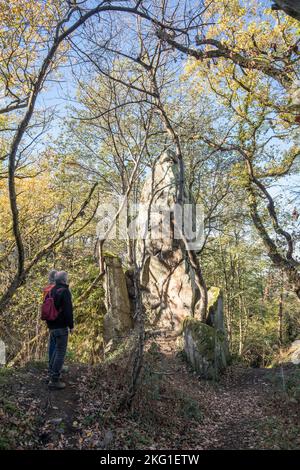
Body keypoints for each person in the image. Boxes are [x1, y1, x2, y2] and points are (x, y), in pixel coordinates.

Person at [47, 271, 74, 390]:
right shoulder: (64, 291)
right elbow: (68, 311)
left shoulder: (51, 290)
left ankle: (52, 374)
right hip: (61, 326)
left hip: (52, 325)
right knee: (60, 352)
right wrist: (71, 326)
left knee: (56, 351)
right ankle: (54, 380)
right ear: (64, 280)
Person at [43, 270, 57, 370]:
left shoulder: (46, 289)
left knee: (52, 342)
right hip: (57, 318)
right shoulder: (57, 289)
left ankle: (50, 364)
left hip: (49, 319)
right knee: (58, 344)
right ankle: (55, 366)